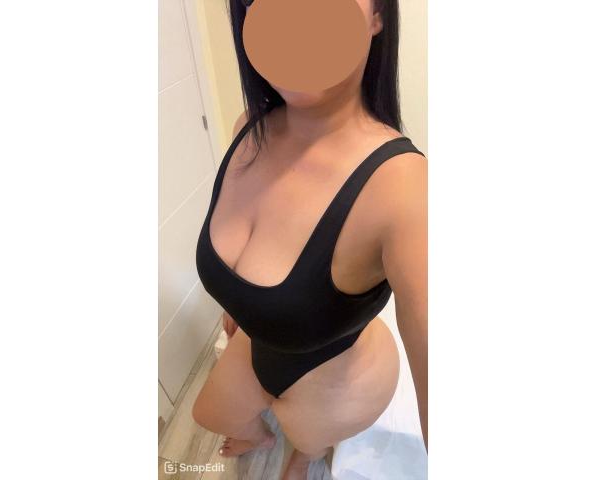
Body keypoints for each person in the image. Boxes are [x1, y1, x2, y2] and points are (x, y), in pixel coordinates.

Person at [192, 1, 427, 478]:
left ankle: (307, 454)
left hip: (342, 380)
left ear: (378, 15)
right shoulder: (247, 130)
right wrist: (239, 303)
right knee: (206, 415)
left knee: (307, 441)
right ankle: (266, 436)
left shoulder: (404, 188)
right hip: (260, 346)